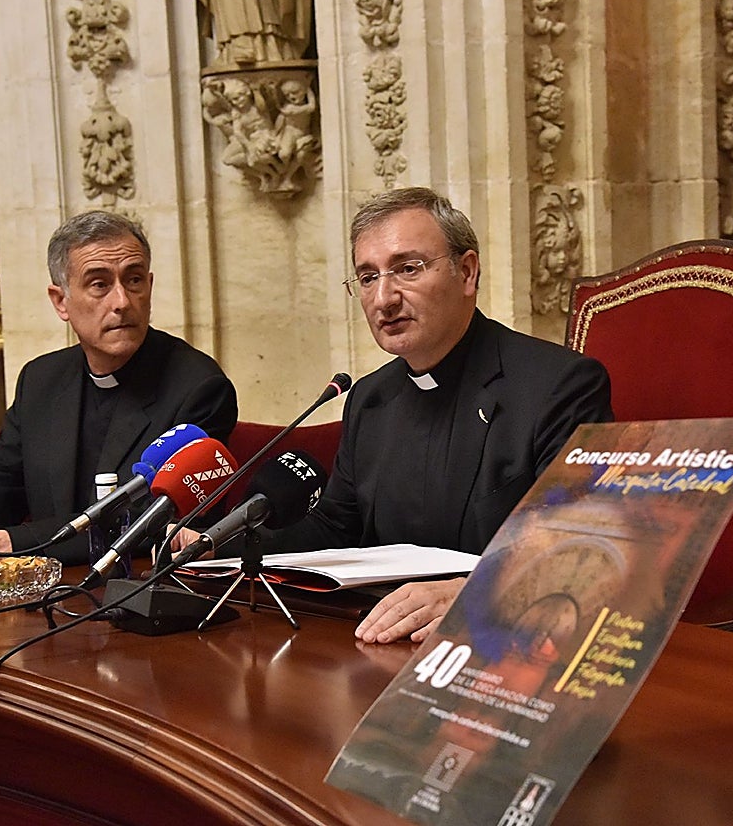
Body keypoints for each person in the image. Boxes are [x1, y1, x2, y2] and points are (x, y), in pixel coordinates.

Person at [193, 187, 613, 644]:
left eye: (408, 269)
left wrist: (474, 594)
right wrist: (217, 546)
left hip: (506, 642)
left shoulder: (559, 386)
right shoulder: (370, 399)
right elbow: (335, 527)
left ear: (467, 272)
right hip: (381, 637)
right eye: (367, 277)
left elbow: (584, 547)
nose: (384, 298)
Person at [0, 210, 238, 569]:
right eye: (99, 284)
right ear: (60, 301)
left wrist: (8, 542)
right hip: (45, 593)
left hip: (134, 589)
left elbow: (148, 522)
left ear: (149, 286)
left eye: (134, 280)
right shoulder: (42, 380)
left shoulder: (198, 388)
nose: (122, 301)